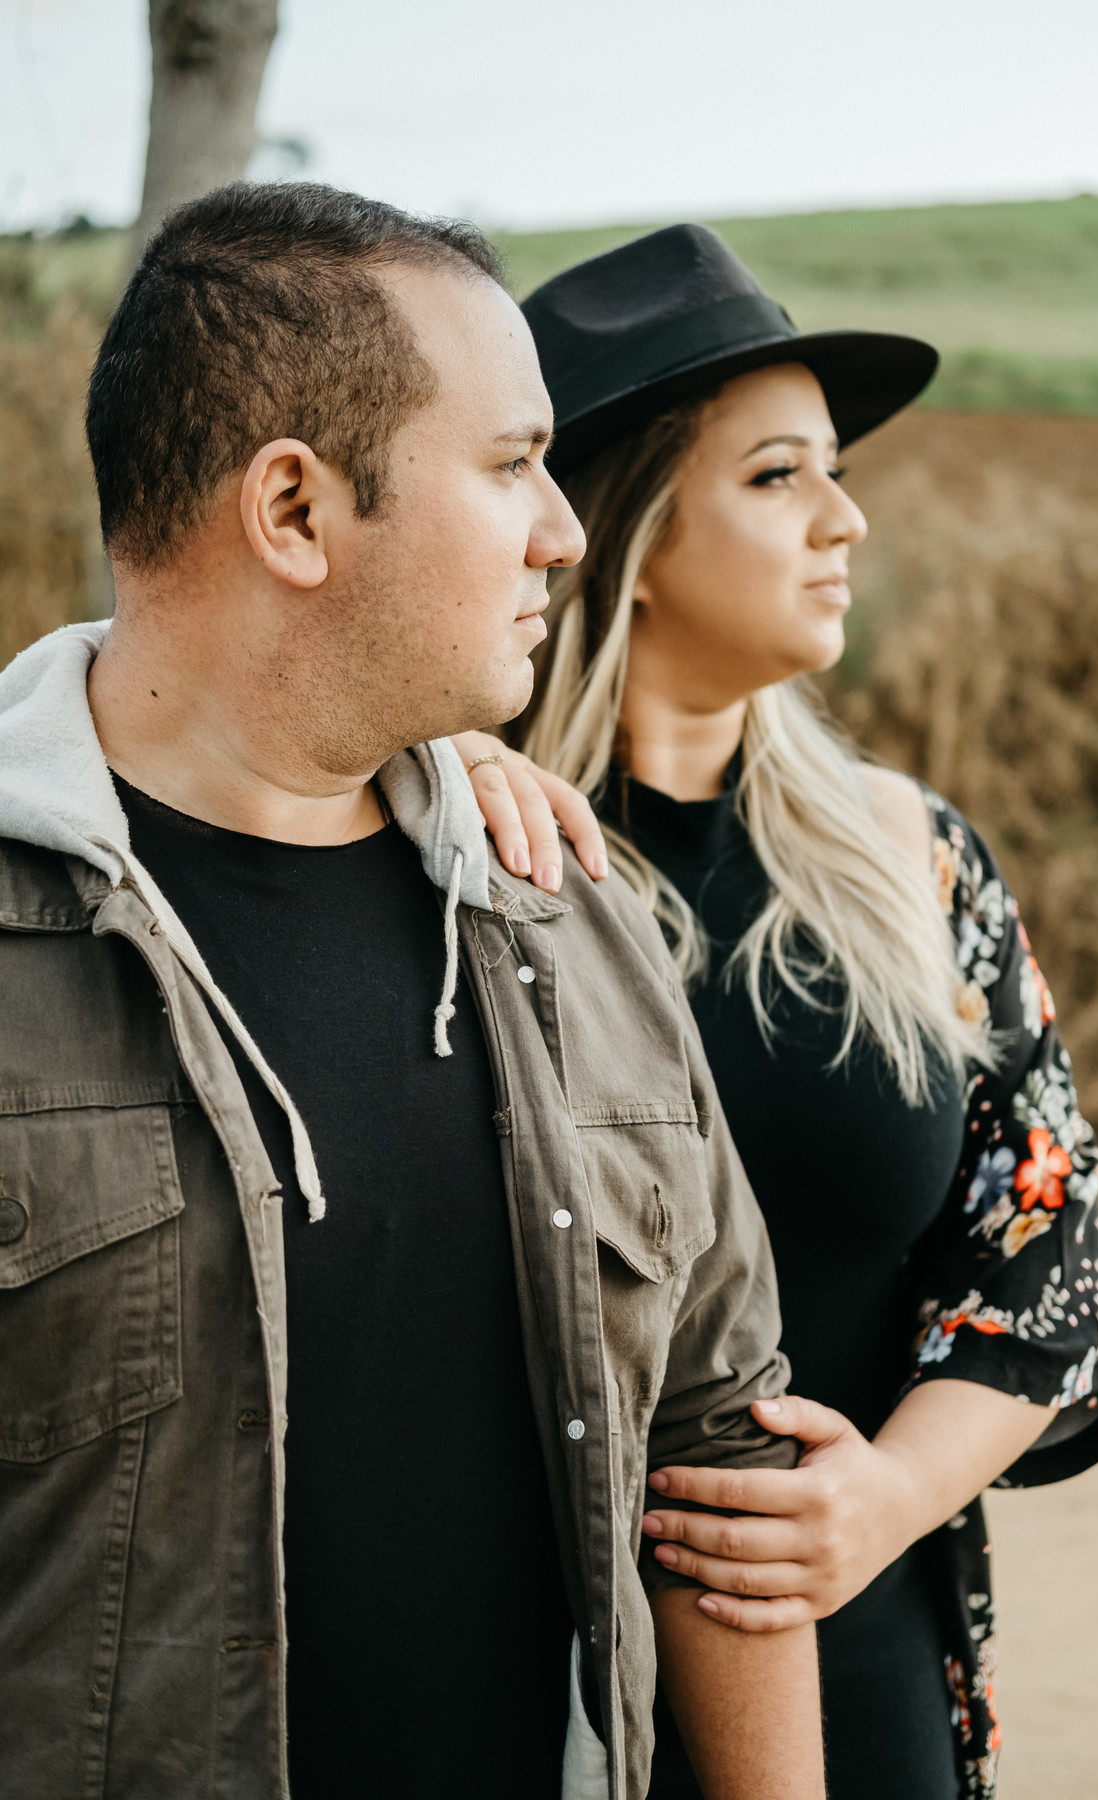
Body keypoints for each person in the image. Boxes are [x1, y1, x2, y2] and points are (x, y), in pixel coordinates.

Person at [0, 187, 830, 1800]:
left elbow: (715, 1446)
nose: (566, 528)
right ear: (296, 510)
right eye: (514, 464)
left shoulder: (569, 909)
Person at [453, 224, 1098, 1800]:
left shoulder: (912, 856)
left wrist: (882, 1498)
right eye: (778, 477)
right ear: (623, 522)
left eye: (833, 471)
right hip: (540, 1687)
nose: (847, 518)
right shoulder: (474, 858)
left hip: (862, 1653)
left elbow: (1045, 1247)